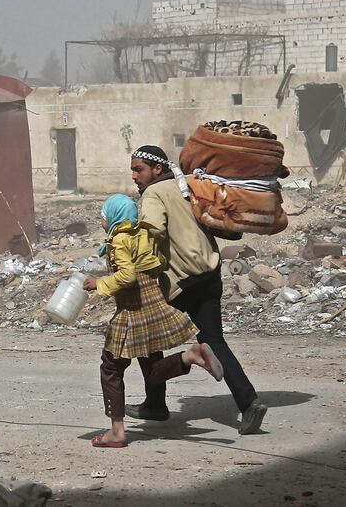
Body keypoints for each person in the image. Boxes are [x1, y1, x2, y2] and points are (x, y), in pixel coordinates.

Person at [126, 145, 268, 435]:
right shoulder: (187, 186)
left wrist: (125, 242)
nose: (133, 176)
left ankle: (155, 403)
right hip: (210, 273)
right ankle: (249, 404)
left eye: (138, 169)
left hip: (183, 280)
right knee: (215, 341)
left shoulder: (155, 193)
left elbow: (153, 228)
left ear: (156, 169)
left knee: (146, 336)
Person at [84, 193, 224, 448]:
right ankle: (189, 356)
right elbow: (159, 264)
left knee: (111, 368)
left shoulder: (120, 240)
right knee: (152, 370)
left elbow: (126, 277)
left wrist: (99, 283)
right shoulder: (143, 234)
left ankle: (116, 431)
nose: (102, 222)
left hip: (132, 312)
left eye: (103, 217)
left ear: (113, 217)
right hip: (153, 306)